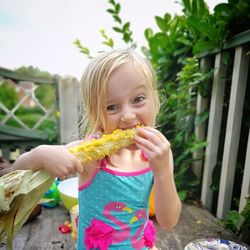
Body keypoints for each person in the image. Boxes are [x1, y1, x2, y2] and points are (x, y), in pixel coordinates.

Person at [12, 48, 182, 250]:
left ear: (155, 100)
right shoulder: (91, 155)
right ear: (95, 113)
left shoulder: (158, 155)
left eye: (138, 99)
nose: (128, 116)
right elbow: (16, 173)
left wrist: (163, 172)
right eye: (112, 107)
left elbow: (168, 221)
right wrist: (39, 154)